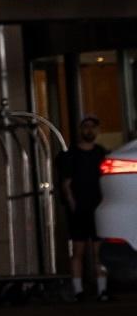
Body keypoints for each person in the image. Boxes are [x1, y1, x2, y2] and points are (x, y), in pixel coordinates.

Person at [59, 114, 109, 302]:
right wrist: (72, 204)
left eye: (92, 127)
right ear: (81, 129)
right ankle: (78, 290)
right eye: (86, 126)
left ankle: (102, 290)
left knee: (99, 252)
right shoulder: (72, 154)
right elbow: (66, 183)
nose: (89, 130)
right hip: (80, 208)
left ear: (97, 130)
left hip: (98, 207)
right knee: (78, 250)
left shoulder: (101, 153)